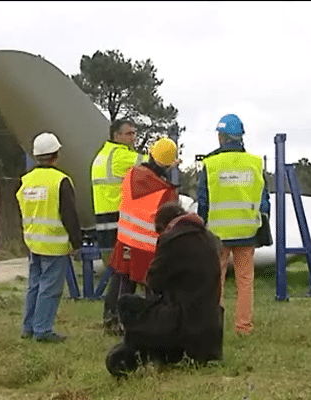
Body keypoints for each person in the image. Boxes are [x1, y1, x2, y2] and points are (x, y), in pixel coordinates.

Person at [106, 202, 223, 377]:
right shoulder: (210, 238)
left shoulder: (173, 239)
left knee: (126, 303)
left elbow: (153, 282)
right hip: (211, 331)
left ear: (164, 225)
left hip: (183, 324)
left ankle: (140, 353)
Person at [197, 114, 271, 336]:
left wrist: (202, 226)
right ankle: (243, 327)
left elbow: (203, 201)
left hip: (217, 233)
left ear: (221, 137)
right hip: (247, 230)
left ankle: (214, 326)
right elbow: (264, 199)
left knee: (214, 281)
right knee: (245, 281)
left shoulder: (210, 164)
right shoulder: (255, 163)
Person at [15, 132, 82, 343]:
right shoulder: (60, 181)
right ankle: (42, 330)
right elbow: (69, 214)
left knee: (34, 286)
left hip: (33, 242)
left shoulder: (25, 181)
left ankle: (29, 327)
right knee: (50, 289)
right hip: (54, 244)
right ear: (56, 154)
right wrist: (77, 243)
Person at [91, 119, 148, 334]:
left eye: (134, 133)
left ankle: (113, 317)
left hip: (104, 223)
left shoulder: (101, 156)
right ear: (117, 135)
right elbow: (152, 163)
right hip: (118, 223)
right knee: (125, 273)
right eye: (129, 133)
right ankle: (116, 319)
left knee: (119, 272)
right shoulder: (120, 155)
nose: (133, 137)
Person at [108, 137, 179, 301]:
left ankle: (112, 319)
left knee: (121, 283)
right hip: (150, 249)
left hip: (125, 241)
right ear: (169, 164)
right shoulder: (167, 192)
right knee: (154, 289)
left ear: (151, 154)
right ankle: (154, 322)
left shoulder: (131, 174)